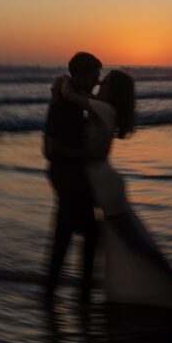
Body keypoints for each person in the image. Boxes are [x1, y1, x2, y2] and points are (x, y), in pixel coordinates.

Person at [56, 71, 172, 309]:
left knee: (135, 243)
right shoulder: (103, 107)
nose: (100, 83)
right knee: (132, 241)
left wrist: (64, 78)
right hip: (103, 182)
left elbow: (68, 94)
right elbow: (81, 95)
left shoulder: (104, 109)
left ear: (113, 91)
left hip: (105, 186)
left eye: (105, 81)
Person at [43, 51, 102, 304]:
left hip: (74, 176)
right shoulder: (63, 106)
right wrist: (83, 155)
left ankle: (56, 291)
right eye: (94, 76)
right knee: (77, 234)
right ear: (80, 75)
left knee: (69, 235)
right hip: (68, 177)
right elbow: (50, 149)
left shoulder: (72, 99)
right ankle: (79, 294)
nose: (96, 82)